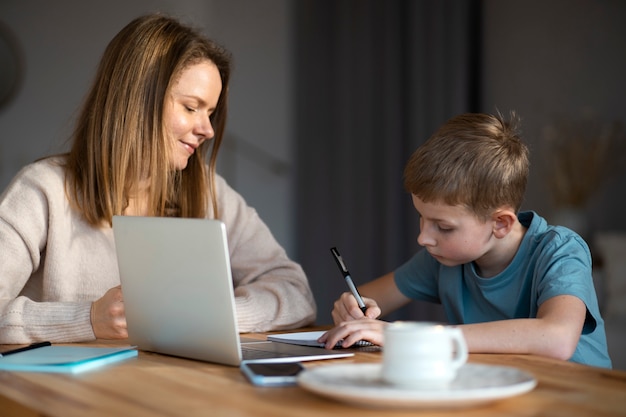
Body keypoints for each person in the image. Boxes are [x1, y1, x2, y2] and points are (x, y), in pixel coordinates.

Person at [0, 14, 316, 344]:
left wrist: (208, 315)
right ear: (138, 100)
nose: (207, 130)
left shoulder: (209, 193)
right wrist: (88, 318)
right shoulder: (43, 190)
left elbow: (295, 292)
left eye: (211, 113)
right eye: (192, 107)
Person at [319, 112, 612, 368]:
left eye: (443, 227)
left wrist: (406, 337)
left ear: (500, 223)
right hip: (498, 388)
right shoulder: (444, 257)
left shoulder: (560, 251)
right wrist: (352, 310)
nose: (423, 238)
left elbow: (556, 339)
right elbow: (370, 300)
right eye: (422, 217)